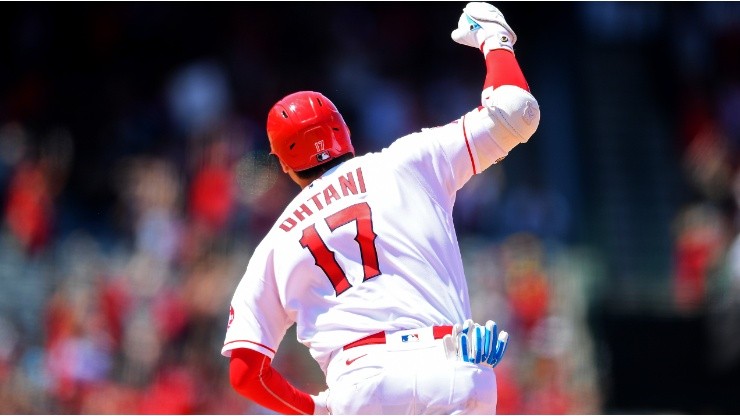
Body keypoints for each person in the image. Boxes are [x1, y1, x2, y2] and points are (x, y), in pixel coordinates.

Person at [222, 2, 540, 414]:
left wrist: (316, 409)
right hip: (451, 364)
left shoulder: (274, 242)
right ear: (344, 129)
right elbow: (518, 111)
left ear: (284, 163)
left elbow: (247, 373)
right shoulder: (404, 162)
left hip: (362, 384)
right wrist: (492, 36)